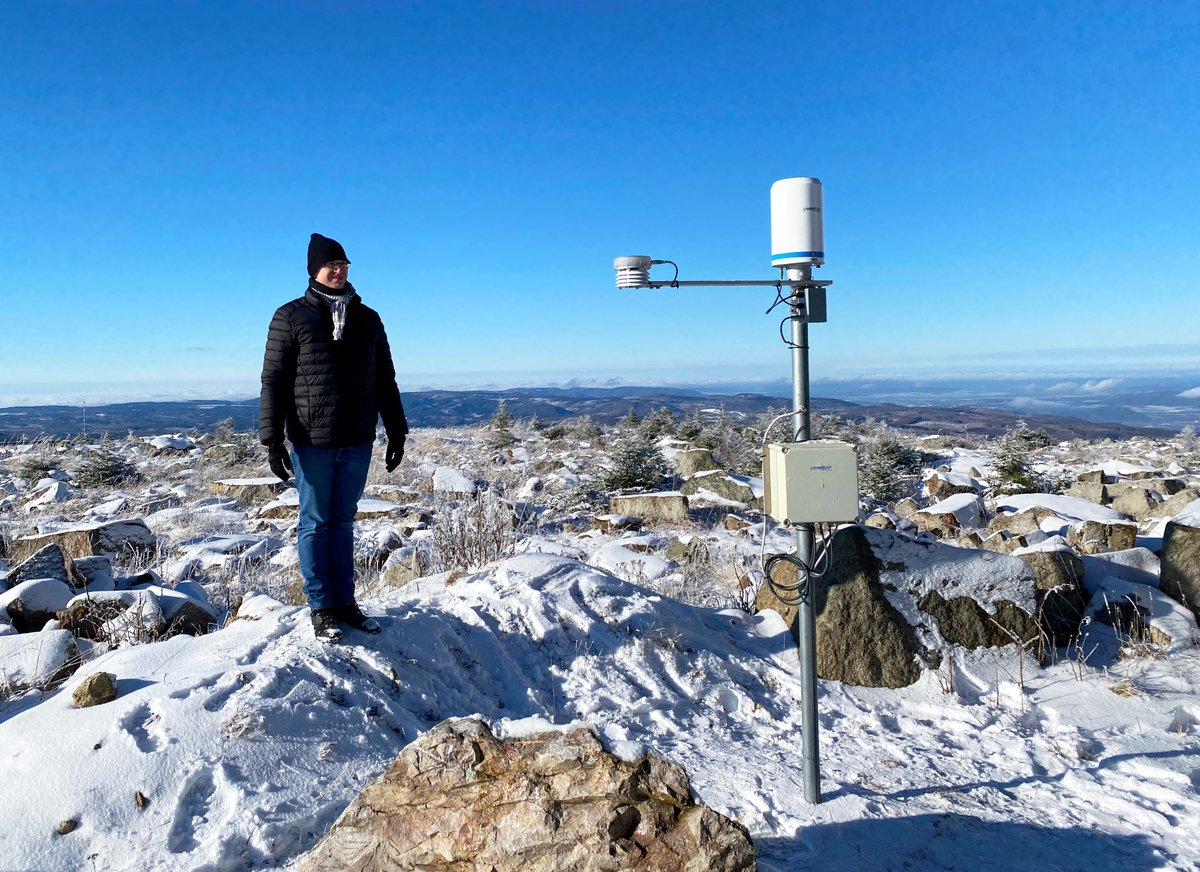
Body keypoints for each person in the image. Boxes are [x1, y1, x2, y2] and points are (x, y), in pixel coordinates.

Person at [259, 233, 408, 643]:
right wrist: (271, 438)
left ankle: (346, 603)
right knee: (316, 521)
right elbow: (273, 379)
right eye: (331, 264)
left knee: (342, 522)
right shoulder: (291, 317)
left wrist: (396, 429)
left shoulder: (368, 319)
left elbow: (385, 380)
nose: (339, 270)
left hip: (358, 437)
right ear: (314, 270)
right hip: (313, 440)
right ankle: (321, 606)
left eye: (344, 264)